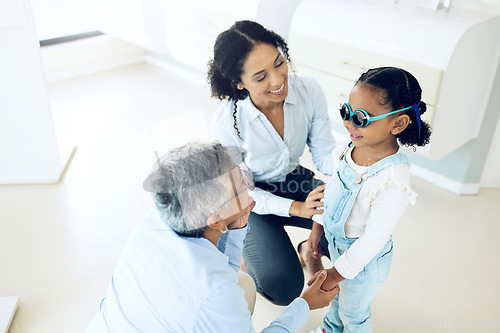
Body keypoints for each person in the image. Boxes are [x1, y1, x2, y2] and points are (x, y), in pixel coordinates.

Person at [85, 142, 338, 333]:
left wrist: (238, 228)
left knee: (242, 285)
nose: (248, 184)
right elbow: (218, 284)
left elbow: (221, 272)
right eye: (241, 184)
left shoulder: (154, 221)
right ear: (215, 219)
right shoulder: (215, 290)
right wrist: (305, 304)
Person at [208, 20, 335, 306]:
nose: (277, 80)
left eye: (279, 63)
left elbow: (325, 155)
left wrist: (355, 159)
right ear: (239, 83)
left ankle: (306, 250)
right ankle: (244, 255)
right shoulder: (227, 123)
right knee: (282, 286)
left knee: (350, 229)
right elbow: (243, 191)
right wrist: (298, 208)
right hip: (248, 201)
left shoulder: (309, 91)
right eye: (261, 76)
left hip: (294, 180)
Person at [307, 67, 432, 333]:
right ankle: (330, 328)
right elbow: (331, 190)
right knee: (337, 299)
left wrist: (335, 273)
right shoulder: (347, 147)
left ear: (397, 124)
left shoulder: (392, 180)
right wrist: (317, 226)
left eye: (362, 117)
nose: (350, 123)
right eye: (346, 112)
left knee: (354, 313)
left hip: (365, 261)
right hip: (338, 245)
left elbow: (373, 240)